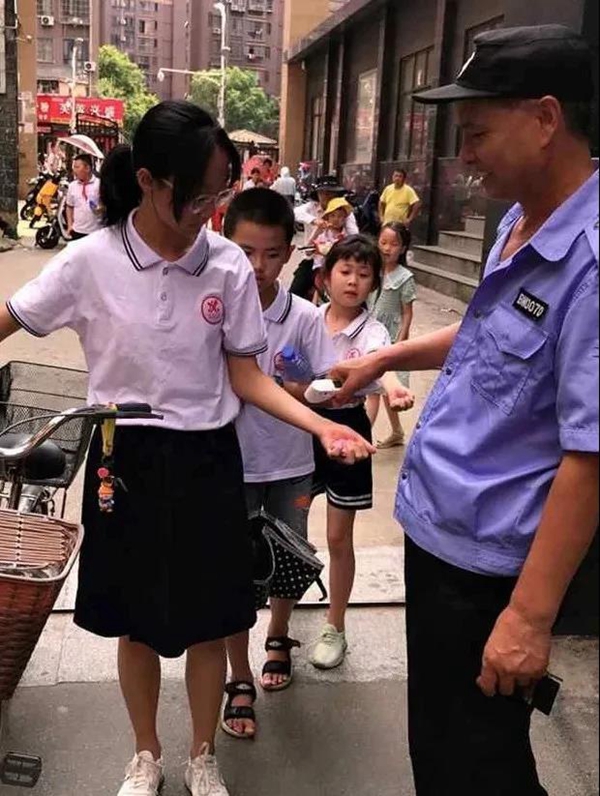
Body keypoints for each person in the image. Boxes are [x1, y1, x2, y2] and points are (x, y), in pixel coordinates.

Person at [1, 101, 375, 796]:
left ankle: (202, 755)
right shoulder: (90, 261)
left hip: (207, 458)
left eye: (217, 194)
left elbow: (246, 376)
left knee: (211, 620)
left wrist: (321, 426)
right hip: (124, 459)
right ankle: (145, 755)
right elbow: (9, 318)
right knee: (135, 624)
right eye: (198, 196)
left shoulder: (226, 264)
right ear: (147, 180)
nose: (209, 210)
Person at [331, 25, 599, 796]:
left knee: (478, 766)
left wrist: (528, 618)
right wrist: (384, 358)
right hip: (441, 538)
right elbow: (487, 335)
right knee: (440, 748)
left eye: (477, 133)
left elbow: (590, 456)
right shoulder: (520, 221)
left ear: (545, 119)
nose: (465, 155)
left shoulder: (590, 262)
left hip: (491, 570)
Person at [221, 188, 337, 740]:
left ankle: (279, 635)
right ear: (225, 244)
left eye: (271, 254)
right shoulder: (215, 310)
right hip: (231, 463)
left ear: (290, 253)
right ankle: (237, 673)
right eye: (245, 252)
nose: (258, 266)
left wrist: (304, 385)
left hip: (290, 462)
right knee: (232, 571)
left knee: (289, 556)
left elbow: (322, 389)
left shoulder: (305, 317)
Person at [309, 236, 399, 670]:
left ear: (374, 284)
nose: (353, 281)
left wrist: (394, 389)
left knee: (337, 537)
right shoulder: (308, 320)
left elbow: (385, 366)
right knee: (289, 526)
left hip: (348, 433)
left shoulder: (374, 331)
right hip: (303, 427)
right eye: (345, 271)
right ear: (326, 277)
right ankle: (280, 621)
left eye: (364, 275)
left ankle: (335, 626)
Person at [368, 223, 416, 448]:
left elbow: (407, 313)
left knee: (383, 390)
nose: (387, 248)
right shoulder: (372, 271)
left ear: (403, 248)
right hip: (371, 336)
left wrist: (400, 340)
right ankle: (395, 431)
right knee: (377, 389)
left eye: (394, 244)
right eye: (383, 242)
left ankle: (363, 434)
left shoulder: (405, 277)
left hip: (391, 337)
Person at [291, 176, 359, 300]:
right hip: (313, 259)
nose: (327, 196)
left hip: (338, 260)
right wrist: (314, 221)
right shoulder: (311, 207)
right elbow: (295, 213)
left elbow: (354, 235)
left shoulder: (344, 211)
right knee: (294, 293)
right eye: (323, 193)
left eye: (331, 193)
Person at [66, 153, 103, 240]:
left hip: (95, 231)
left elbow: (106, 204)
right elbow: (69, 206)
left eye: (77, 167)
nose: (74, 170)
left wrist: (101, 208)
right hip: (77, 231)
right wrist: (70, 225)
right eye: (74, 167)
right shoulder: (72, 186)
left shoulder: (99, 184)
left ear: (87, 168)